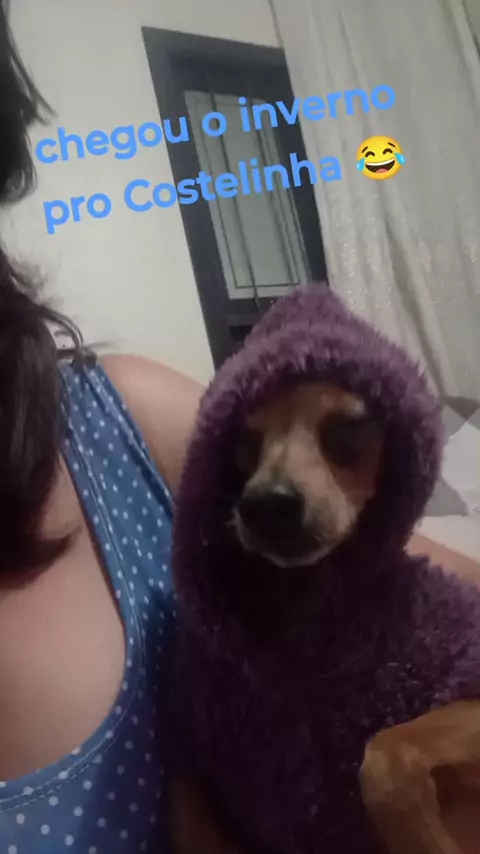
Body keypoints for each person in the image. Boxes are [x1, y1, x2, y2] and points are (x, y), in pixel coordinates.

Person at [0, 4, 478, 852]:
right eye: (248, 450)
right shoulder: (209, 669)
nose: (270, 485)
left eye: (346, 435)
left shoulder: (122, 426)